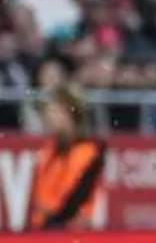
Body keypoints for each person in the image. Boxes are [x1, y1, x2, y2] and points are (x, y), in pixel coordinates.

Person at [29, 83, 107, 231]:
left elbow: (74, 199)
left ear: (70, 114)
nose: (49, 117)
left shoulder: (87, 151)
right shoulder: (50, 149)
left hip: (70, 231)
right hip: (45, 229)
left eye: (55, 111)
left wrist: (49, 214)